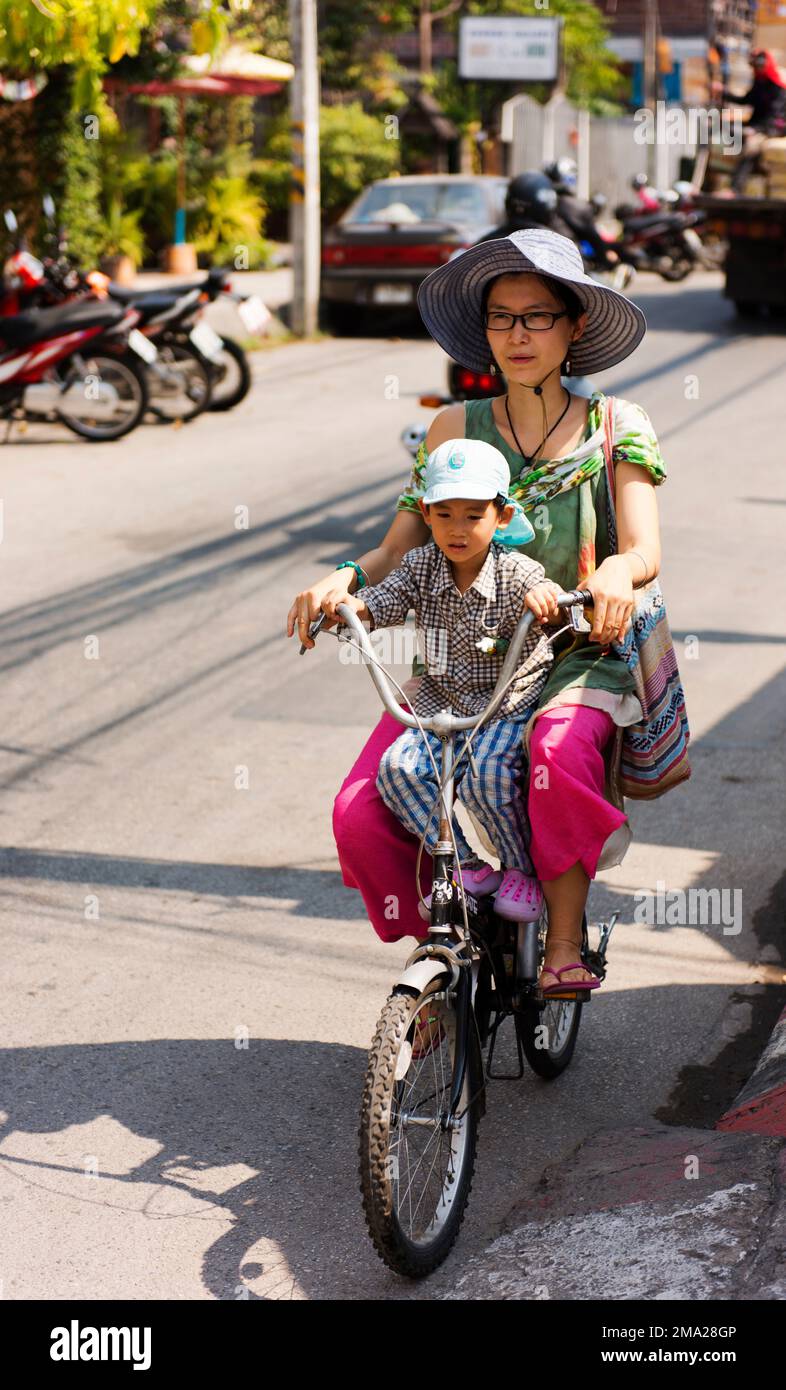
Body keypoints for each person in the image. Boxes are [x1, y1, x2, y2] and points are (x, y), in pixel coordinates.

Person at [288, 228, 666, 994]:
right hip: (462, 666)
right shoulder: (454, 427)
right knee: (361, 810)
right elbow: (397, 546)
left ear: (575, 327)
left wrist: (619, 577)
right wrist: (344, 576)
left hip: (574, 653)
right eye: (501, 317)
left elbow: (642, 547)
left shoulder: (617, 425)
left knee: (555, 764)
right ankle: (446, 947)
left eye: (537, 317)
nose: (518, 336)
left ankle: (563, 944)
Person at [321, 437, 565, 930]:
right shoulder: (419, 566)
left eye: (473, 515)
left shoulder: (516, 571)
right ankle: (466, 865)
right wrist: (353, 609)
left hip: (504, 702)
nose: (457, 529)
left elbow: (550, 594)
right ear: (427, 515)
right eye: (444, 514)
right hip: (442, 698)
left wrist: (546, 598)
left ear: (500, 517)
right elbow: (385, 599)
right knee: (398, 771)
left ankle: (521, 869)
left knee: (488, 779)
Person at [726, 48, 786, 195]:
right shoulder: (759, 84)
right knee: (728, 132)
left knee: (751, 147)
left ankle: (735, 189)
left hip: (772, 128)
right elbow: (746, 100)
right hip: (756, 125)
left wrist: (755, 130)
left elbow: (774, 117)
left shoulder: (777, 89)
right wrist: (724, 92)